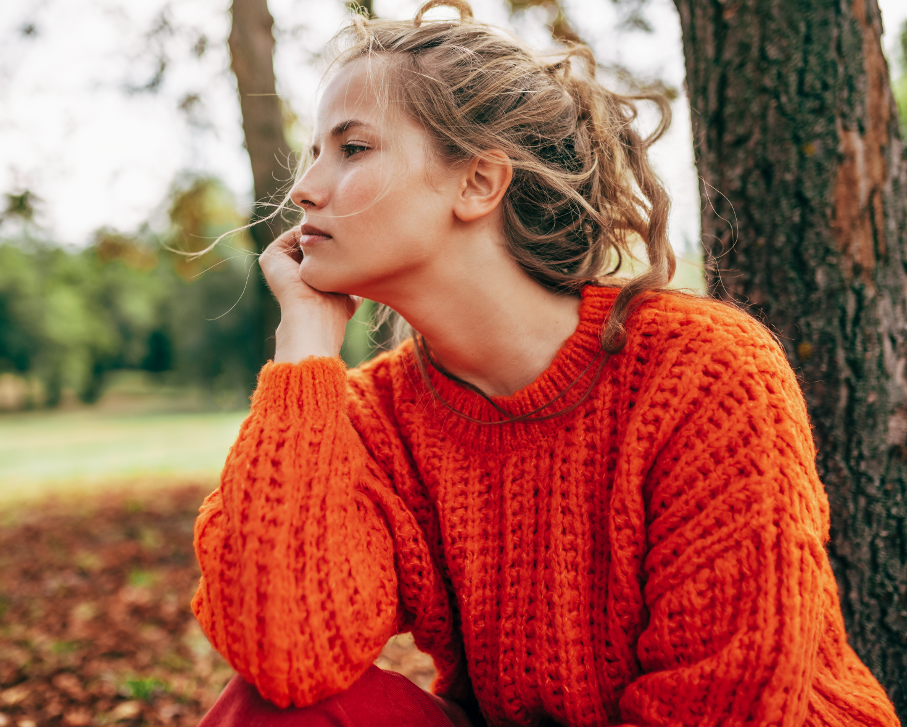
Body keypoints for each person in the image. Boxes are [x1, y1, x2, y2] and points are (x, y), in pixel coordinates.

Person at [191, 2, 900, 725]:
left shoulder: (703, 373)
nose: (306, 188)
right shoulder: (378, 418)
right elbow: (284, 651)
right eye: (314, 152)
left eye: (353, 149)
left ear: (477, 183)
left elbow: (725, 706)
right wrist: (304, 346)